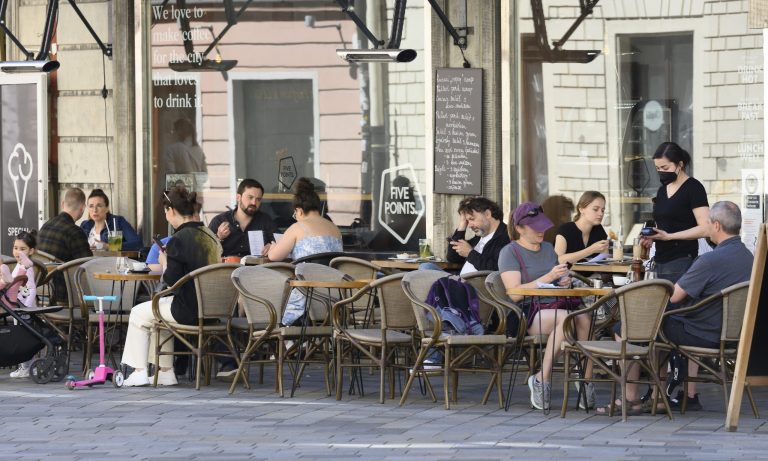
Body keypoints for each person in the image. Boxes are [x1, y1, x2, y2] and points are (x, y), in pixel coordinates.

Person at [603, 201, 753, 414]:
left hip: (702, 332)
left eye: (708, 222)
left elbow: (673, 296)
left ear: (717, 226)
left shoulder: (710, 260)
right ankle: (658, 397)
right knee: (659, 329)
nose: (707, 226)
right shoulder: (749, 258)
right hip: (731, 335)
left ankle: (630, 398)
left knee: (627, 328)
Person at [121, 187, 222, 387]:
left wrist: (165, 261)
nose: (166, 217)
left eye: (166, 213)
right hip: (214, 310)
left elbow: (171, 281)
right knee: (158, 314)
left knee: (138, 313)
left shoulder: (178, 239)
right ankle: (165, 372)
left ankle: (139, 371)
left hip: (188, 310)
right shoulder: (211, 236)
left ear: (171, 210)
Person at [498, 202, 593, 410]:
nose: (542, 230)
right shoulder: (510, 252)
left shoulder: (549, 249)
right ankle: (542, 378)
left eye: (542, 225)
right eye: (535, 227)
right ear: (520, 228)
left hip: (556, 306)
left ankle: (585, 380)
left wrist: (563, 281)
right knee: (566, 317)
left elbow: (555, 282)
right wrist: (549, 276)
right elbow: (514, 294)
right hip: (527, 313)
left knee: (585, 318)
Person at [266, 177, 343, 326]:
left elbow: (274, 256)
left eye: (295, 214)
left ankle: (286, 344)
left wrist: (273, 246)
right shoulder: (335, 228)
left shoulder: (298, 227)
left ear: (299, 210)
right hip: (334, 297)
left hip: (305, 297)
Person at [642, 142, 710, 284]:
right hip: (659, 260)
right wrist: (653, 237)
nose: (661, 171)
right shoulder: (662, 190)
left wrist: (670, 236)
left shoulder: (694, 188)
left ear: (680, 165)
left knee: (676, 306)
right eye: (657, 168)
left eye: (665, 167)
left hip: (682, 260)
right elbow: (665, 224)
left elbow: (706, 228)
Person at [38, 187, 93, 302]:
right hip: (64, 292)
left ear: (63, 204)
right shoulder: (75, 231)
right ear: (83, 208)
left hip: (41, 288)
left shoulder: (45, 225)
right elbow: (88, 266)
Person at [209, 178, 277, 258]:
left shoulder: (265, 220)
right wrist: (218, 237)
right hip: (227, 269)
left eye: (258, 199)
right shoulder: (219, 221)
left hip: (257, 269)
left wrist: (272, 246)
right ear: (238, 197)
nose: (254, 203)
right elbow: (205, 251)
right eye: (250, 197)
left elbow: (280, 242)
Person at [3, 231, 38, 378]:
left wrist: (24, 308)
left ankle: (26, 367)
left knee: (23, 336)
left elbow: (31, 289)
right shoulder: (20, 266)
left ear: (31, 251)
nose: (18, 252)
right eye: (15, 248)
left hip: (21, 307)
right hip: (17, 304)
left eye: (22, 249)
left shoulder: (27, 268)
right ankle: (25, 366)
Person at [446, 197, 510, 274]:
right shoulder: (479, 237)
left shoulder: (507, 236)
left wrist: (470, 253)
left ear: (487, 214)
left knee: (427, 268)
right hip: (460, 280)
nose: (469, 225)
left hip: (476, 284)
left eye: (472, 219)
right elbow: (453, 258)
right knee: (428, 267)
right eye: (467, 221)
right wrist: (462, 225)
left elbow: (497, 268)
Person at [554, 191, 609, 264]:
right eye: (595, 209)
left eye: (603, 210)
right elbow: (558, 261)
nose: (601, 214)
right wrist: (591, 250)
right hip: (567, 275)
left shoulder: (599, 229)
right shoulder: (565, 230)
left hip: (595, 275)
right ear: (581, 209)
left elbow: (604, 257)